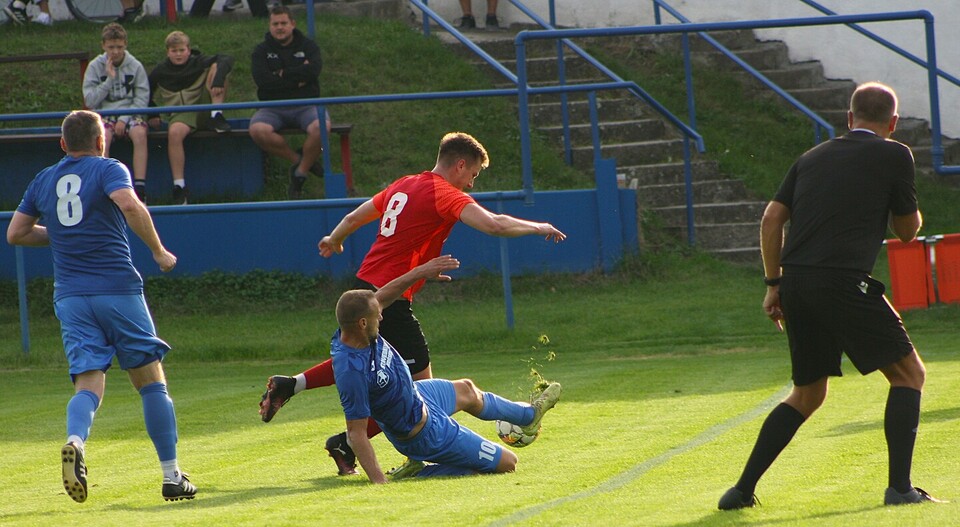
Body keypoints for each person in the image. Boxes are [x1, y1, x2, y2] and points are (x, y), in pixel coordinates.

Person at [258, 131, 566, 476]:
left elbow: (355, 217)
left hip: (364, 288)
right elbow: (493, 224)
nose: (471, 184)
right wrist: (538, 226)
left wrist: (335, 238)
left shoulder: (403, 184)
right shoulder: (444, 193)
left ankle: (298, 390)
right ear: (459, 165)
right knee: (420, 394)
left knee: (362, 361)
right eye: (473, 174)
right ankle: (397, 453)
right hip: (389, 299)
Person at [717, 82, 941, 510]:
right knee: (909, 375)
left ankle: (740, 491)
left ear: (849, 118)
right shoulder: (895, 154)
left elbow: (771, 219)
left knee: (807, 393)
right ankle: (900, 489)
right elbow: (907, 231)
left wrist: (774, 284)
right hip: (842, 281)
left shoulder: (811, 157)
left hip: (797, 282)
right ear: (893, 122)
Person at [5, 110, 196, 503]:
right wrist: (158, 251)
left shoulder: (44, 179)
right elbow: (129, 204)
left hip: (71, 297)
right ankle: (171, 476)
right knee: (151, 381)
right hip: (117, 290)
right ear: (100, 141)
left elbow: (16, 233)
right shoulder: (109, 168)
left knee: (89, 381)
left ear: (63, 144)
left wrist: (61, 233)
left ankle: (76, 440)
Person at [331, 254, 562, 483]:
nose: (381, 316)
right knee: (508, 463)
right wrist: (379, 481)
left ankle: (528, 416)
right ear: (363, 323)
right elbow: (356, 434)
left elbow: (382, 297)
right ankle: (420, 471)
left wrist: (421, 271)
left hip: (420, 395)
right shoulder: (352, 371)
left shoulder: (353, 329)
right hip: (425, 432)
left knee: (467, 389)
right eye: (377, 315)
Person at [249, 4, 329, 200]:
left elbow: (313, 71)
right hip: (271, 107)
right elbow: (264, 82)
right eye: (275, 24)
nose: (279, 27)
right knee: (257, 130)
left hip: (307, 105)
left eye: (283, 23)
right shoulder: (260, 51)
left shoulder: (309, 46)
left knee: (322, 127)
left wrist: (282, 74)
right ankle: (300, 161)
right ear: (270, 26)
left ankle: (300, 173)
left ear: (293, 24)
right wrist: (297, 78)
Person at [149, 30, 234, 205]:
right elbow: (145, 92)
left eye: (182, 50)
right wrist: (152, 113)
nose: (178, 54)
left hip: (204, 106)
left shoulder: (198, 62)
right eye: (174, 51)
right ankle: (179, 186)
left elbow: (226, 58)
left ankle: (216, 114)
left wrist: (218, 80)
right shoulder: (161, 70)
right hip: (181, 114)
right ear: (167, 52)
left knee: (217, 67)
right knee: (174, 133)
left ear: (188, 50)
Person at [82, 23, 151, 203]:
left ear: (125, 44)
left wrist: (124, 119)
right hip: (104, 114)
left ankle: (140, 189)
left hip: (130, 113)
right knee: (102, 136)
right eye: (111, 47)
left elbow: (142, 98)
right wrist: (109, 80)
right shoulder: (95, 66)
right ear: (103, 45)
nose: (115, 51)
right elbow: (90, 101)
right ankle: (102, 187)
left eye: (119, 47)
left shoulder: (135, 66)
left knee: (139, 133)